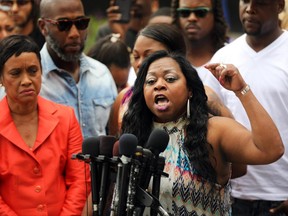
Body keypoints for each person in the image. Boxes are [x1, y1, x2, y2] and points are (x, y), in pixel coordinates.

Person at [121, 50, 284, 215]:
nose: (159, 85)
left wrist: (241, 90)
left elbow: (270, 150)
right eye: (151, 81)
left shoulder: (213, 131)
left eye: (170, 79)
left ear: (190, 89)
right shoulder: (134, 134)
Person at [210, 0, 288, 215]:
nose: (250, 8)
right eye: (245, 1)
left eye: (260, 3)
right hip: (231, 195)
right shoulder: (223, 57)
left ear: (280, 6)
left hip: (280, 197)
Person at [0, 34, 90, 215]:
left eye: (33, 71)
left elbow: (80, 180)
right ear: (1, 79)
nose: (26, 80)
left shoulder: (66, 118)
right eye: (15, 73)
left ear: (41, 72)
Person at [109, 23, 233, 138]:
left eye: (149, 56)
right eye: (136, 56)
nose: (140, 63)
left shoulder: (207, 98)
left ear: (175, 57)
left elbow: (233, 149)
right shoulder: (124, 99)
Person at [38, 0, 117, 139]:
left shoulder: (101, 74)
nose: (74, 33)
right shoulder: (32, 80)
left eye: (81, 23)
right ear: (43, 26)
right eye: (64, 24)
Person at [170, 0, 229, 101]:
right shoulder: (168, 59)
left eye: (201, 12)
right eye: (185, 12)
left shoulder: (230, 56)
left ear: (215, 14)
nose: (192, 18)